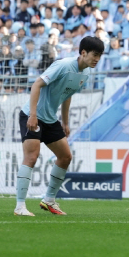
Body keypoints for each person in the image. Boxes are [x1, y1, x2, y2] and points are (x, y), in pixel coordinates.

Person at [14, 36, 105, 216]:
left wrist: (65, 121)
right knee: (32, 157)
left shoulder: (85, 73)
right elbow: (37, 85)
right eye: (95, 54)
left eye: (100, 56)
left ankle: (49, 200)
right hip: (32, 115)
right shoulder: (63, 65)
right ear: (83, 52)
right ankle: (20, 206)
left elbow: (68, 94)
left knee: (65, 156)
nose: (97, 59)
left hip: (49, 118)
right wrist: (33, 115)